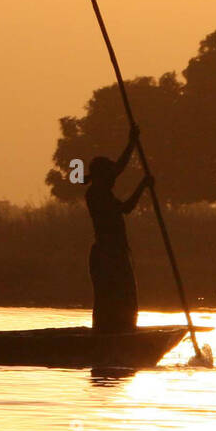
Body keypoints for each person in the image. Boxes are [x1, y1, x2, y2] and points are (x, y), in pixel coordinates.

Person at [85, 123, 153, 333]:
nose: (114, 178)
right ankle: (109, 333)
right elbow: (127, 208)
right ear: (102, 176)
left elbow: (119, 168)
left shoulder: (102, 189)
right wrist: (142, 186)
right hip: (107, 254)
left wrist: (131, 142)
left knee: (124, 297)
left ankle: (118, 330)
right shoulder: (97, 194)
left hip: (115, 253)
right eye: (109, 175)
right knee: (112, 297)